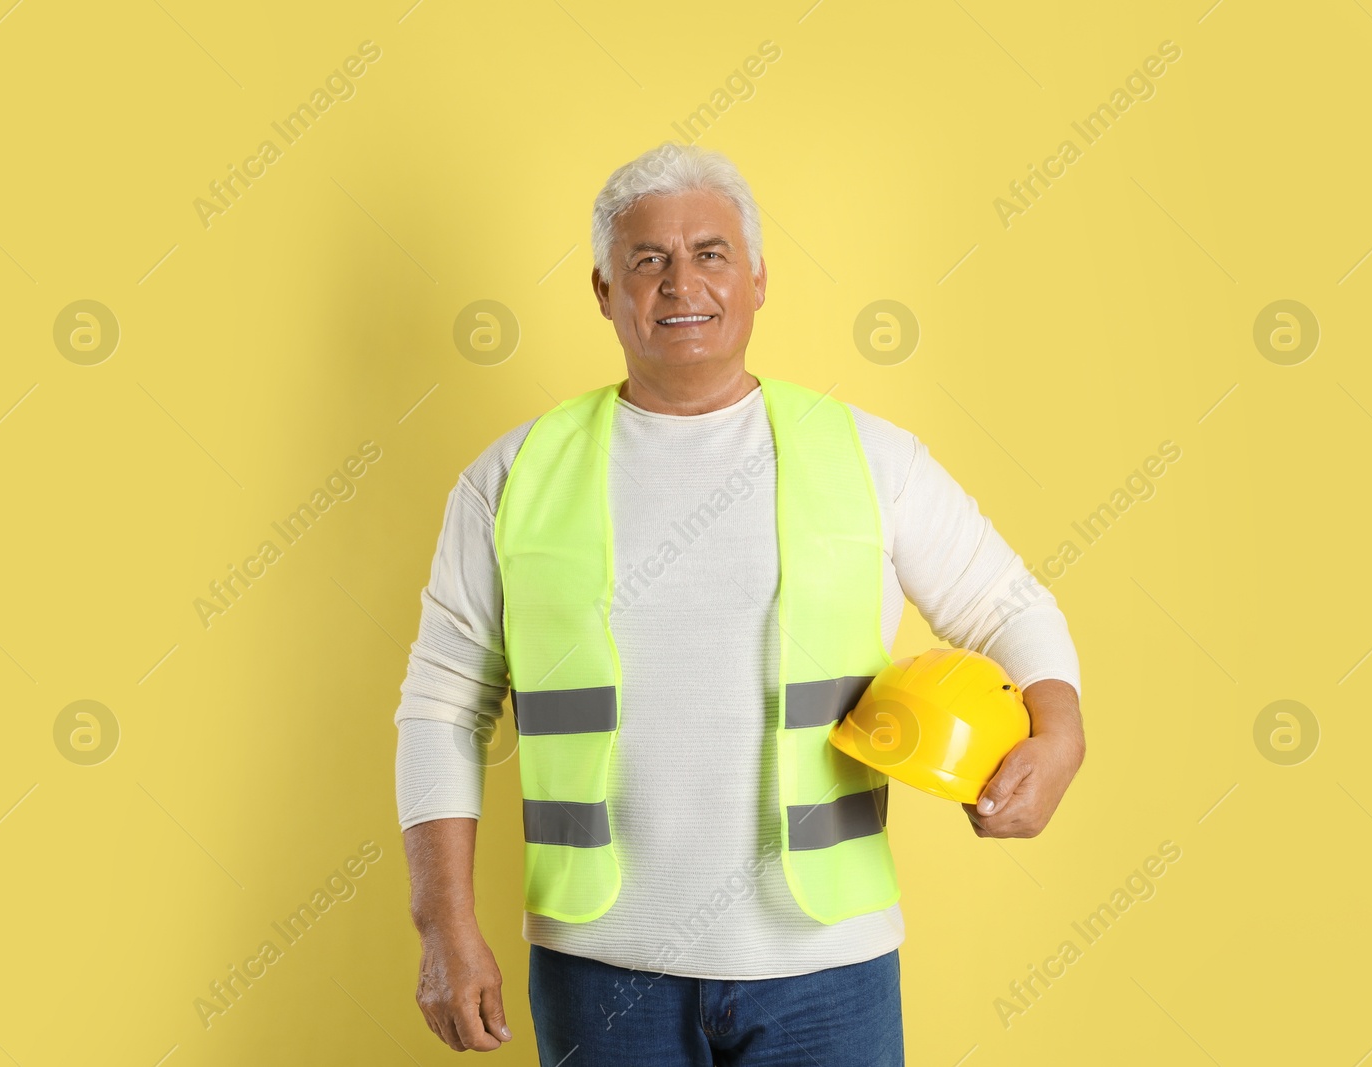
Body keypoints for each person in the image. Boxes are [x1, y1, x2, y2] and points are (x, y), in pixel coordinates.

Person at [395, 141, 1086, 1064]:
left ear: (759, 278)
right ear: (604, 291)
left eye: (711, 253)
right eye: (649, 260)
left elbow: (1009, 605)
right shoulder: (512, 478)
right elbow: (441, 707)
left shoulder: (871, 458)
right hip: (601, 971)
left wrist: (1061, 734)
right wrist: (443, 927)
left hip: (826, 969)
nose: (683, 283)